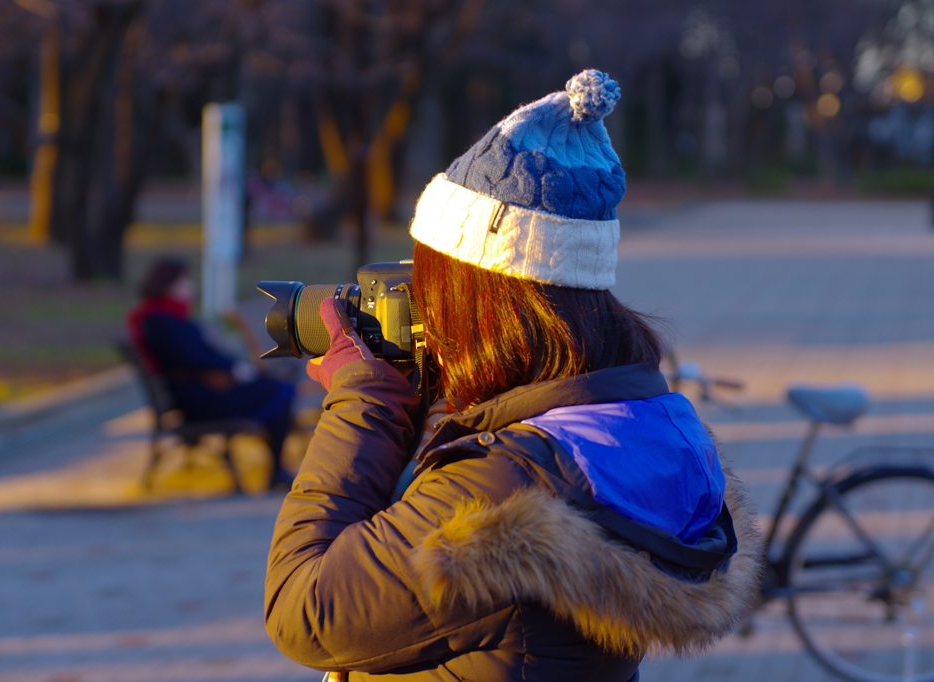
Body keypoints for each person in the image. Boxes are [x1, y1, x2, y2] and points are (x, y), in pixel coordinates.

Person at [265, 70, 762, 681]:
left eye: (435, 284)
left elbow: (305, 612)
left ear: (480, 300)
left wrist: (363, 397)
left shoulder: (502, 495)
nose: (425, 303)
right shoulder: (629, 434)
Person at [127, 257, 296, 490]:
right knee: (280, 389)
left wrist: (236, 369)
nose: (190, 287)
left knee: (274, 386)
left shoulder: (166, 318)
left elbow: (201, 355)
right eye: (184, 281)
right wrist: (235, 370)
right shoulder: (160, 321)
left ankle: (277, 469)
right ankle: (276, 470)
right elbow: (195, 359)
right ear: (168, 285)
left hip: (199, 395)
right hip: (199, 401)